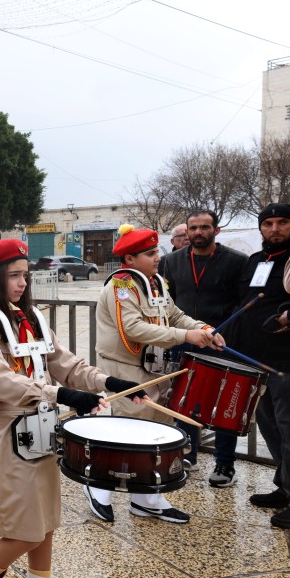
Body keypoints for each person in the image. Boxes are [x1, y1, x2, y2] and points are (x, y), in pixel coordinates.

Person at [0, 234, 142, 578]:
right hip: (9, 426)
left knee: (46, 519)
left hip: (42, 424)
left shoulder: (33, 317)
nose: (23, 283)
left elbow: (65, 363)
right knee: (24, 524)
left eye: (25, 275)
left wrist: (107, 380)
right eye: (13, 276)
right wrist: (61, 394)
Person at [88, 224, 223, 525]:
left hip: (154, 366)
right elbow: (133, 328)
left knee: (157, 430)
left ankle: (146, 498)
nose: (157, 257)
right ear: (130, 259)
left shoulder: (155, 282)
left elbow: (174, 314)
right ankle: (98, 487)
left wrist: (200, 327)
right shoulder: (121, 286)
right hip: (123, 366)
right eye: (149, 253)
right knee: (127, 431)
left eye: (156, 251)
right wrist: (184, 336)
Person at [227, 204, 290, 529]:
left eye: (282, 222)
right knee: (272, 428)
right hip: (259, 363)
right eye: (268, 223)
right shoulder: (255, 263)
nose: (274, 229)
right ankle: (288, 486)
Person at [160, 210, 247, 485]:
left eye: (204, 227)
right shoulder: (171, 261)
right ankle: (188, 454)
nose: (198, 232)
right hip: (184, 341)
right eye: (193, 228)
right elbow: (167, 302)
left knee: (224, 406)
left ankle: (224, 464)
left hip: (222, 342)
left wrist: (223, 333)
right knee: (184, 401)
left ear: (216, 230)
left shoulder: (237, 261)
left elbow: (242, 304)